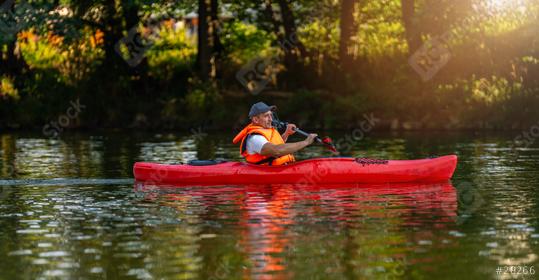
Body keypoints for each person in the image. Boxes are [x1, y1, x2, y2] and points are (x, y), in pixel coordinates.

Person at [232, 102, 318, 165]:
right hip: (268, 175)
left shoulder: (266, 130)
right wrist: (306, 142)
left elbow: (275, 145)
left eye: (271, 115)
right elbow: (277, 151)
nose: (271, 119)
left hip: (282, 167)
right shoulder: (255, 138)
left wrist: (286, 134)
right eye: (266, 116)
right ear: (256, 120)